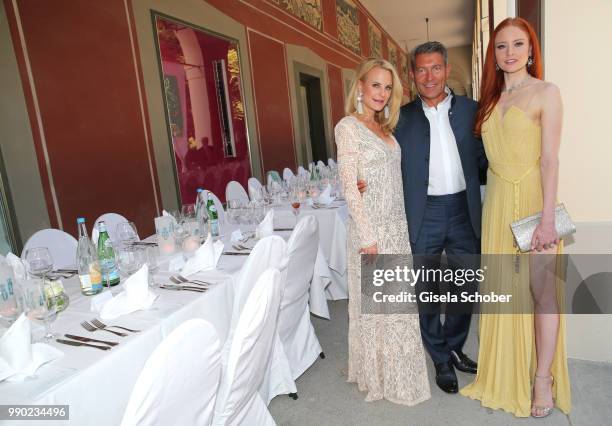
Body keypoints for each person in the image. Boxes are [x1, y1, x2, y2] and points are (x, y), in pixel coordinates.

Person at [359, 42, 487, 394]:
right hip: (423, 212)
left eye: (435, 68)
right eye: (421, 70)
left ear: (446, 70)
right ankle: (440, 357)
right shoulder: (400, 117)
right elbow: (381, 157)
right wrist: (362, 179)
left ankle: (454, 345)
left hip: (463, 210)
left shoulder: (472, 111)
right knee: (426, 288)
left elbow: (485, 159)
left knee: (466, 285)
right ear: (412, 76)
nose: (428, 76)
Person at [460, 17, 571, 418]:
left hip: (532, 204)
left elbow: (551, 161)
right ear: (494, 53)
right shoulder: (488, 100)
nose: (510, 52)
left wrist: (547, 222)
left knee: (542, 293)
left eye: (518, 44)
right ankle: (505, 368)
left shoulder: (546, 92)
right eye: (502, 46)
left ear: (531, 49)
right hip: (498, 204)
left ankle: (542, 379)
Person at [334, 58, 430, 406]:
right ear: (359, 86)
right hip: (370, 229)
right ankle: (376, 375)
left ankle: (397, 371)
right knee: (377, 310)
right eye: (375, 85)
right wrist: (367, 236)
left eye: (387, 87)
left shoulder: (386, 129)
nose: (381, 93)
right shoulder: (348, 127)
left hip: (395, 224)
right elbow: (349, 185)